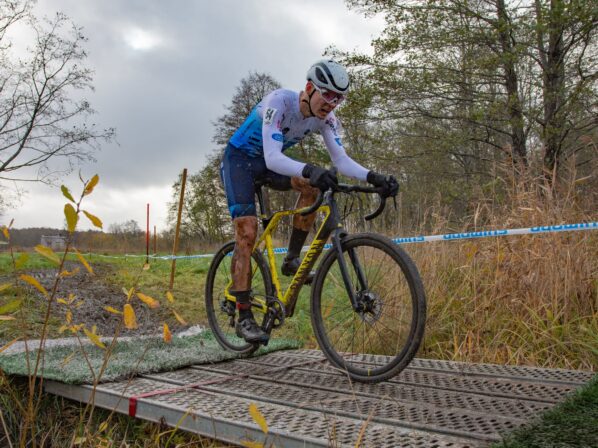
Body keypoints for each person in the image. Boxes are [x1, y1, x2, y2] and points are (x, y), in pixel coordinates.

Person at [219, 59, 398, 343]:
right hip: (240, 162)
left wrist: (373, 177)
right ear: (309, 88)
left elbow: (341, 159)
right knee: (247, 232)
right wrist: (310, 169)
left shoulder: (326, 119)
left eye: (338, 99)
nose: (331, 104)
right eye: (327, 95)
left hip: (269, 164)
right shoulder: (279, 102)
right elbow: (273, 157)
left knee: (312, 187)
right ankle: (243, 315)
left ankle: (292, 260)